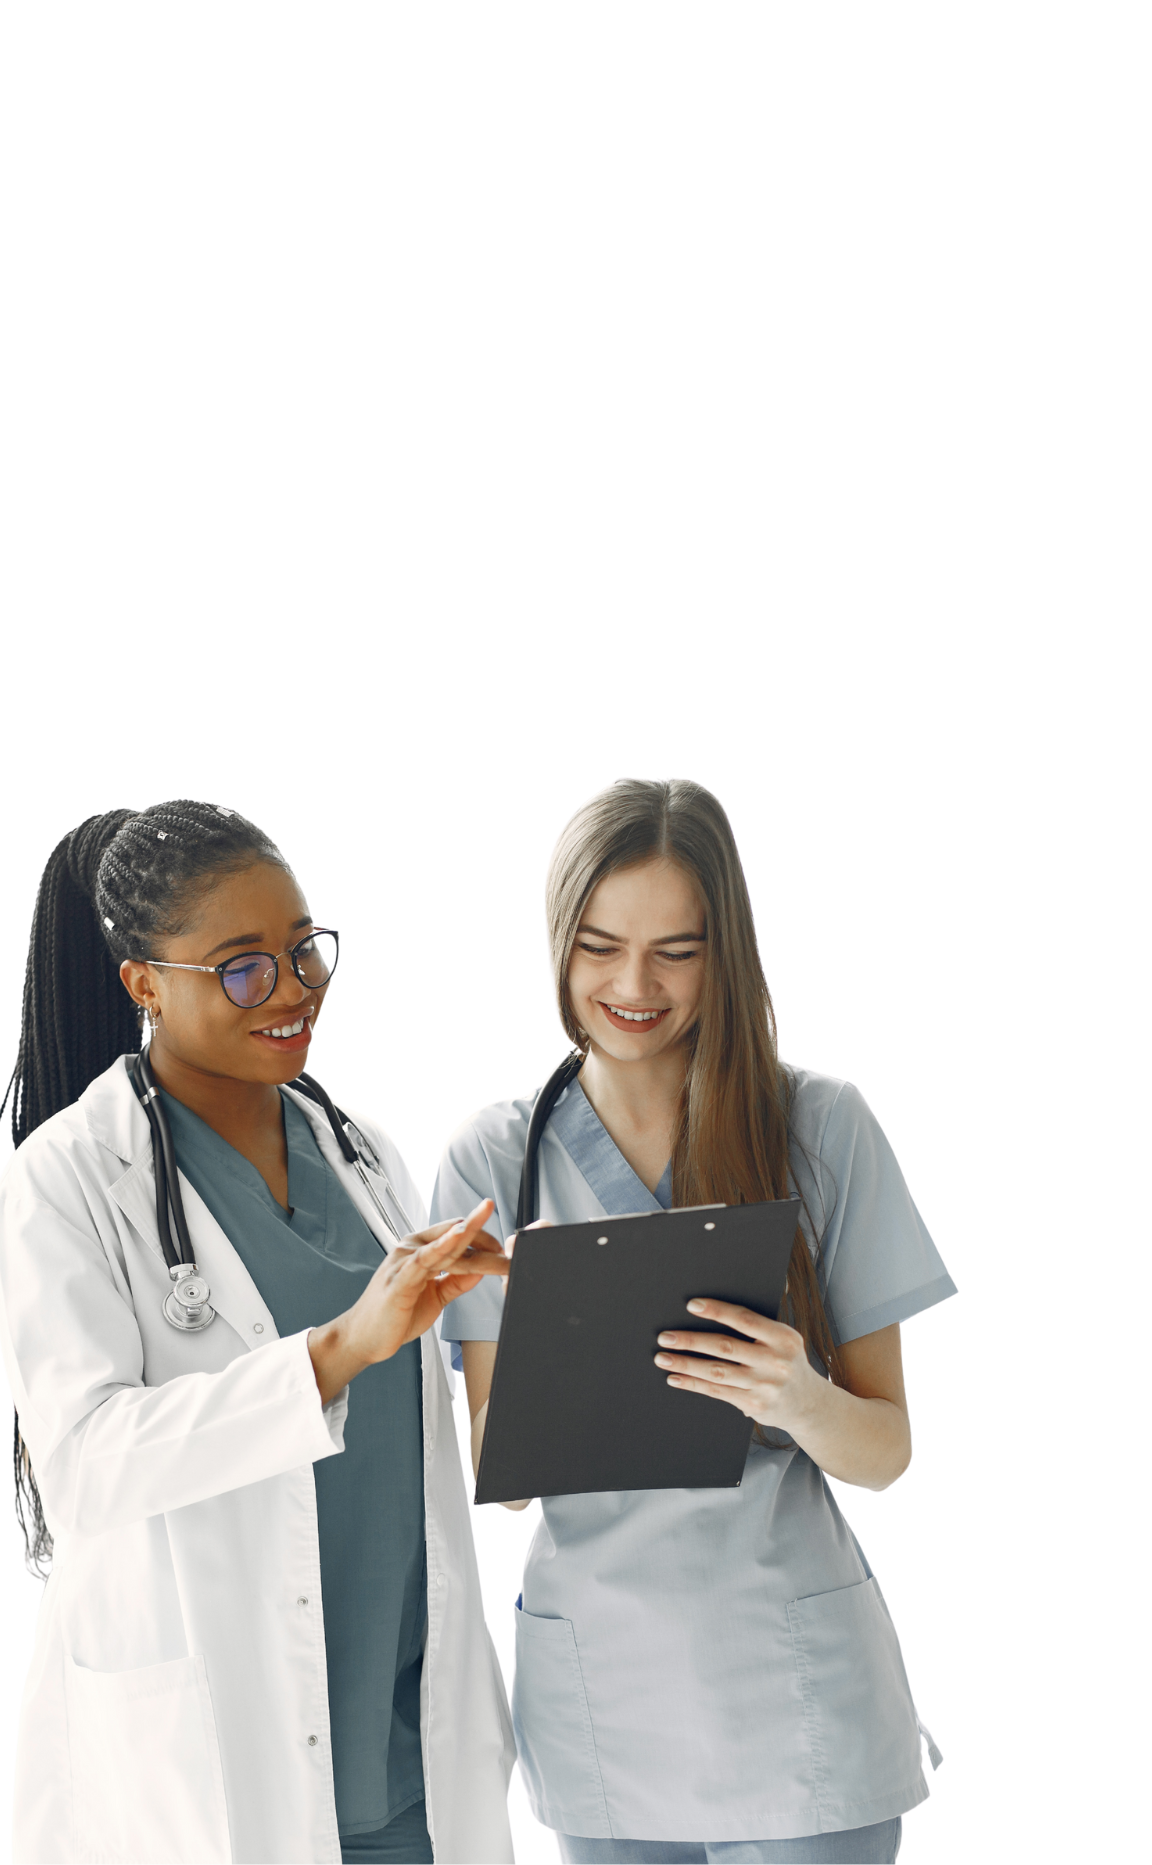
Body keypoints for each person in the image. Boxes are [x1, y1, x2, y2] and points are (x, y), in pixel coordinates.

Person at [430, 776, 954, 1865]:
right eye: (600, 943)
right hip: (603, 1706)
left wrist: (798, 1396)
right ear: (554, 939)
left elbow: (886, 1451)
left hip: (795, 1696)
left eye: (678, 946)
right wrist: (551, 1316)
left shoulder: (821, 1124)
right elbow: (504, 1479)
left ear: (729, 951)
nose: (634, 983)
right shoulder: (490, 1156)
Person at [0, 802, 518, 1865]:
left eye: (305, 950)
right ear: (144, 982)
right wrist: (336, 1349)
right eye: (241, 968)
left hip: (413, 1739)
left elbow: (410, 1437)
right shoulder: (63, 1181)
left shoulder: (359, 1145)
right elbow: (85, 1464)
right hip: (218, 1771)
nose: (293, 992)